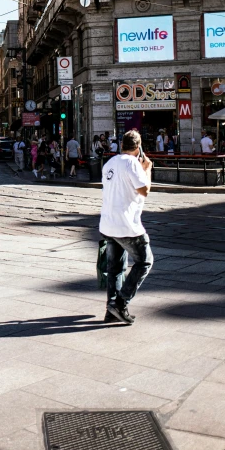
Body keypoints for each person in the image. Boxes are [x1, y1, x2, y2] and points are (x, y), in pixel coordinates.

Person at [100, 129, 154, 325]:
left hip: (108, 224)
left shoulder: (110, 163)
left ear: (122, 144)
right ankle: (121, 302)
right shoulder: (132, 163)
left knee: (115, 268)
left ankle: (110, 310)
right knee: (145, 261)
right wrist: (146, 168)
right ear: (138, 148)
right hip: (127, 226)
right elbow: (144, 190)